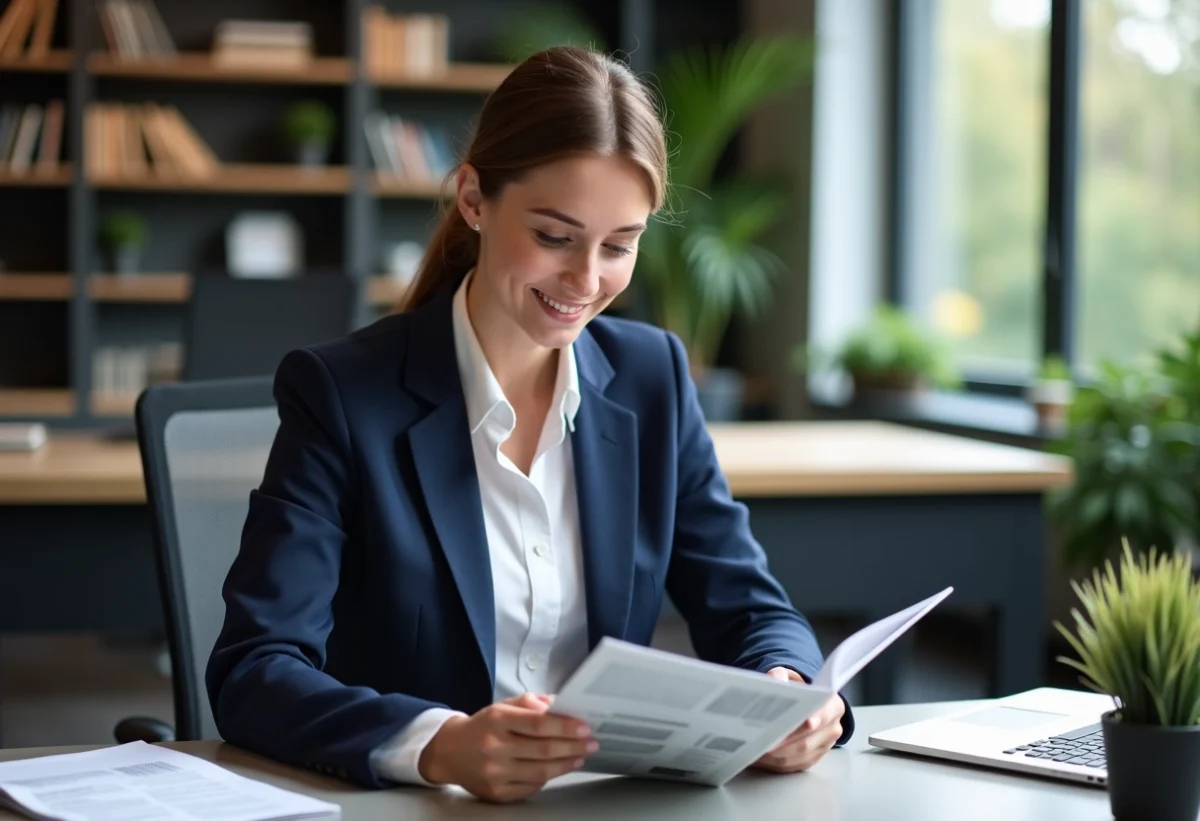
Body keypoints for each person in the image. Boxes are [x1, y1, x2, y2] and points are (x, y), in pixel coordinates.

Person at [205, 44, 852, 805]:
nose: (585, 281)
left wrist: (789, 688)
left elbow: (751, 607)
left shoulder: (653, 379)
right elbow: (256, 667)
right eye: (554, 236)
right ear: (474, 198)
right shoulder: (344, 395)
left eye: (620, 245)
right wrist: (440, 745)